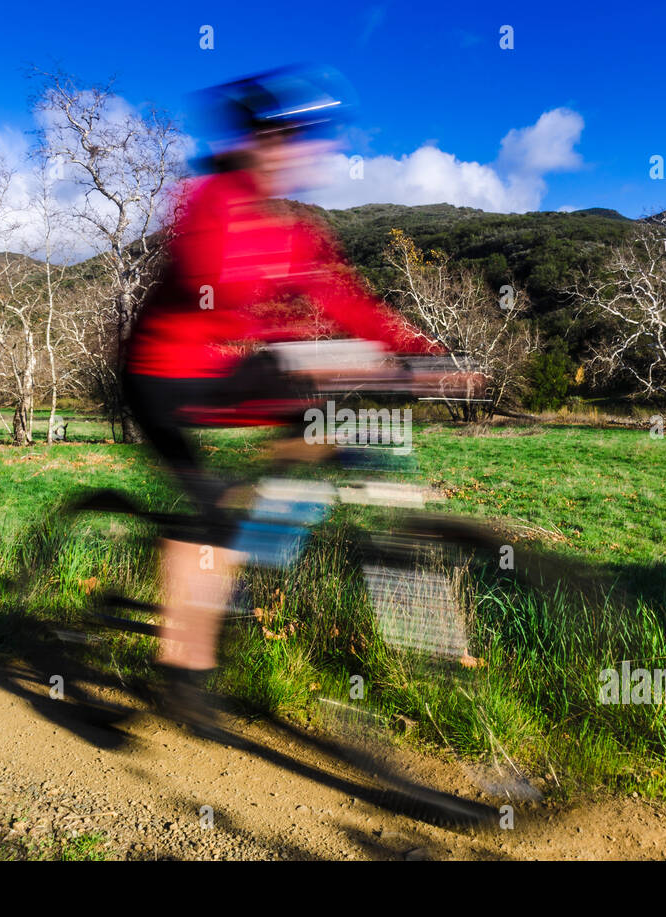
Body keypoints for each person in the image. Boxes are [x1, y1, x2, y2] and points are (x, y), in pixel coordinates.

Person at [121, 66, 441, 730]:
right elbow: (213, 279)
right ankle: (182, 670)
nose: (304, 151)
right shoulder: (207, 200)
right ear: (256, 142)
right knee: (207, 514)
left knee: (319, 426)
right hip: (159, 374)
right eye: (290, 137)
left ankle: (256, 533)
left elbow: (345, 299)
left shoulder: (292, 229)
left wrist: (418, 351)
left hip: (222, 372)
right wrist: (301, 344)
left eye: (309, 139)